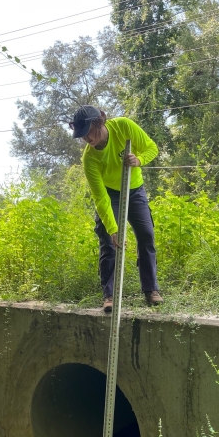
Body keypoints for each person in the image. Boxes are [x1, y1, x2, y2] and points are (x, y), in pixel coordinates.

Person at [69, 105, 163, 313]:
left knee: (146, 235)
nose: (86, 139)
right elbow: (100, 197)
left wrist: (139, 160)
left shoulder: (123, 126)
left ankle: (151, 290)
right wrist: (112, 228)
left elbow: (151, 148)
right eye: (82, 136)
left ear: (99, 122)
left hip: (134, 188)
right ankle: (109, 295)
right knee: (109, 243)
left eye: (88, 133)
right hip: (110, 194)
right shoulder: (89, 158)